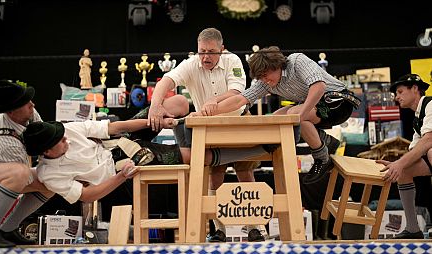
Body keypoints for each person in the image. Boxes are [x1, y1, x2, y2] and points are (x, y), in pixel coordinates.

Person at [147, 27, 265, 242]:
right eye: (202, 51)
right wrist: (155, 106)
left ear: (222, 49)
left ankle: (254, 227)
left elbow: (238, 92)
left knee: (245, 174)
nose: (206, 57)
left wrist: (215, 101)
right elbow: (166, 80)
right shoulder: (192, 63)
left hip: (238, 123)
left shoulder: (233, 61)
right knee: (215, 176)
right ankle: (218, 229)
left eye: (211, 52)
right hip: (209, 130)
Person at [200, 46, 360, 185]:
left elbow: (318, 87)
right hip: (315, 107)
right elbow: (240, 99)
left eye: (266, 75)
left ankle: (322, 157)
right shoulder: (266, 82)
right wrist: (209, 111)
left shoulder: (297, 61)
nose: (265, 81)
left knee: (292, 114)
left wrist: (300, 116)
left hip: (339, 102)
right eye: (261, 78)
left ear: (276, 65)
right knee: (274, 120)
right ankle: (323, 140)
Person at [22, 119, 274, 206]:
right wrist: (120, 177)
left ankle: (182, 133)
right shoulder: (48, 174)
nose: (64, 137)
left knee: (172, 104)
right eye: (59, 140)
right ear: (46, 151)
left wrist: (155, 120)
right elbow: (88, 195)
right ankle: (260, 149)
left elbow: (115, 127)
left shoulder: (68, 129)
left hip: (118, 143)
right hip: (121, 169)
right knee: (196, 157)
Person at [0, 80, 53, 248]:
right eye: (26, 102)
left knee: (52, 180)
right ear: (11, 111)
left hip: (0, 170)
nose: (32, 104)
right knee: (20, 173)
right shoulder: (5, 142)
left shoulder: (29, 112)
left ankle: (9, 229)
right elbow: (24, 178)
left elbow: (44, 139)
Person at [377, 74, 432, 239]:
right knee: (404, 171)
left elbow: (428, 140)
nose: (397, 97)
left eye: (400, 92)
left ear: (415, 89)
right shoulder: (417, 116)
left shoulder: (431, 104)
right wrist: (398, 165)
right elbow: (416, 150)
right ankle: (413, 228)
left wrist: (400, 163)